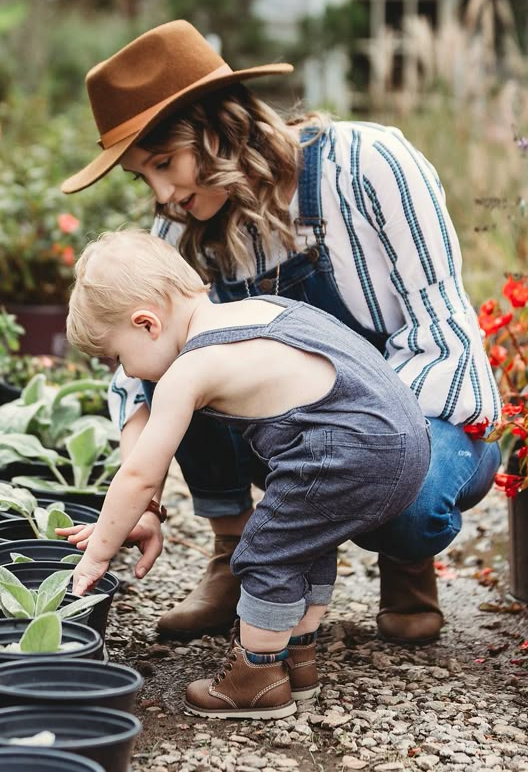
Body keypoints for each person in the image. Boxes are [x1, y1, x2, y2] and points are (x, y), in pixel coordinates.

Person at [60, 19, 501, 646]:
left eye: (166, 163)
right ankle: (235, 555)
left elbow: (444, 330)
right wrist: (144, 499)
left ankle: (406, 561)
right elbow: (136, 378)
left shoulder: (370, 164)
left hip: (414, 419)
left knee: (408, 508)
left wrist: (361, 442)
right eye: (143, 177)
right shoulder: (182, 231)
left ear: (222, 124)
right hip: (306, 438)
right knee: (172, 366)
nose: (162, 195)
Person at [64, 229, 432, 718]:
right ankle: (298, 660)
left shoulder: (191, 369)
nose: (127, 374)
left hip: (346, 449)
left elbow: (139, 477)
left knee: (265, 553)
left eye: (117, 357)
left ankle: (255, 678)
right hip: (405, 441)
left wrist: (96, 558)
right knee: (305, 543)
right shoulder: (259, 310)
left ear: (147, 324)